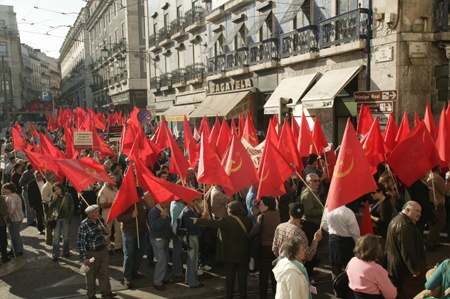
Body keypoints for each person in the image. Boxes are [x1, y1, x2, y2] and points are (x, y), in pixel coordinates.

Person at [194, 201, 252, 299]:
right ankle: (243, 295)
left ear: (231, 211)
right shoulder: (247, 220)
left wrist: (198, 220)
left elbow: (212, 223)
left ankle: (229, 295)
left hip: (230, 254)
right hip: (244, 253)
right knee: (242, 276)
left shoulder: (227, 220)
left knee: (230, 276)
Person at [385, 201, 427, 299]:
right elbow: (408, 250)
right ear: (407, 210)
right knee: (408, 293)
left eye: (420, 212)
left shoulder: (397, 220)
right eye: (417, 211)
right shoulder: (405, 225)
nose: (419, 214)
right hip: (403, 270)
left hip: (396, 266)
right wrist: (414, 269)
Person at [77, 204, 118, 299]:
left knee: (105, 272)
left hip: (103, 250)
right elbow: (81, 242)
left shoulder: (100, 220)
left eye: (98, 211)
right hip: (92, 253)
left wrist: (106, 231)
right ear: (89, 214)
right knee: (91, 275)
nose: (98, 213)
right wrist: (84, 258)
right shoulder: (84, 225)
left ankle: (106, 292)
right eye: (95, 212)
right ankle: (91, 295)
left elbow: (104, 232)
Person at [249, 196, 280, 299]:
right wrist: (258, 204)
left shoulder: (262, 217)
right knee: (275, 273)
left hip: (264, 248)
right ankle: (277, 293)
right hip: (276, 248)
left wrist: (248, 234)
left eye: (261, 204)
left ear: (267, 206)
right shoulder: (276, 213)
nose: (259, 206)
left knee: (263, 275)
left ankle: (263, 295)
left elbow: (254, 231)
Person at [117, 186, 148, 288]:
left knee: (139, 253)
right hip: (129, 232)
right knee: (129, 254)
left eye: (141, 196)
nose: (140, 198)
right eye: (138, 196)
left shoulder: (143, 203)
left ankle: (134, 271)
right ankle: (127, 276)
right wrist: (131, 216)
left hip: (142, 232)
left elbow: (147, 214)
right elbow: (119, 218)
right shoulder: (126, 203)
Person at [321, 203, 360, 279]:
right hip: (347, 242)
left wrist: (332, 231)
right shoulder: (348, 212)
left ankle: (336, 286)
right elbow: (355, 231)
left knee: (335, 267)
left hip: (333, 241)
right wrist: (358, 243)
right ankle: (350, 285)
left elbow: (324, 225)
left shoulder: (327, 210)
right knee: (349, 266)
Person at [300, 173, 324, 276]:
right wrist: (322, 210)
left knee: (314, 248)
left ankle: (311, 269)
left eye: (318, 180)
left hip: (315, 223)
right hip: (310, 224)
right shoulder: (308, 194)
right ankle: (309, 273)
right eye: (315, 181)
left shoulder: (313, 192)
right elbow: (308, 212)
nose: (317, 183)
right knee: (311, 248)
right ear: (309, 182)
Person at [181, 196, 204, 288]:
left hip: (190, 237)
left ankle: (189, 279)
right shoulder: (188, 212)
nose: (194, 202)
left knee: (191, 260)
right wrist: (202, 219)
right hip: (191, 237)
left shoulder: (188, 210)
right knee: (193, 260)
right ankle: (192, 281)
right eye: (193, 200)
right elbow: (192, 226)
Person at [148, 201, 172, 291]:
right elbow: (153, 226)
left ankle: (162, 279)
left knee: (165, 259)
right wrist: (162, 218)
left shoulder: (163, 209)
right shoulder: (154, 212)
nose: (165, 201)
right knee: (161, 260)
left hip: (163, 238)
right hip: (158, 239)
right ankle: (157, 282)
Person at [425, 165, 449, 250]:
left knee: (434, 222)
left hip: (432, 202)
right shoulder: (437, 178)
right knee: (441, 222)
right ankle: (429, 240)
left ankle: (434, 241)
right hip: (438, 203)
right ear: (438, 168)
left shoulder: (428, 176)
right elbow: (444, 191)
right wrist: (448, 183)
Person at [49, 182, 74, 261]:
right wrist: (55, 199)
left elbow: (72, 206)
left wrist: (69, 217)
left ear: (61, 189)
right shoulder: (53, 196)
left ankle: (66, 252)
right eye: (55, 190)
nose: (56, 191)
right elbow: (50, 206)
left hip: (65, 218)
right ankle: (55, 254)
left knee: (65, 236)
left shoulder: (68, 196)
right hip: (56, 219)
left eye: (58, 189)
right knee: (56, 237)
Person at [97, 178, 122, 255]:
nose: (115, 183)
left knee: (118, 230)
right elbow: (103, 205)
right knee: (108, 231)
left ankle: (118, 246)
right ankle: (108, 248)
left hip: (116, 212)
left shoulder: (114, 188)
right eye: (113, 182)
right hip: (107, 213)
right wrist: (114, 203)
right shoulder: (103, 191)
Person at [3, 183, 24, 257]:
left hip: (15, 218)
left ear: (10, 189)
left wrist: (6, 216)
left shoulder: (12, 197)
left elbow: (12, 209)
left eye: (6, 189)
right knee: (12, 235)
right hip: (16, 218)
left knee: (15, 235)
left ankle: (19, 250)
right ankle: (14, 249)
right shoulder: (10, 196)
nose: (4, 190)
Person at [42, 171, 57, 245]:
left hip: (52, 206)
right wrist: (53, 199)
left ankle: (52, 237)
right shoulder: (46, 186)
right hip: (48, 206)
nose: (55, 177)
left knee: (53, 222)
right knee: (49, 223)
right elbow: (44, 198)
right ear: (51, 178)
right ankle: (48, 239)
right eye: (54, 176)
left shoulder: (52, 185)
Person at [0, 195, 9, 264]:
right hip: (1, 223)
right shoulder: (1, 198)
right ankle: (4, 257)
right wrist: (8, 221)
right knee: (3, 241)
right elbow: (4, 211)